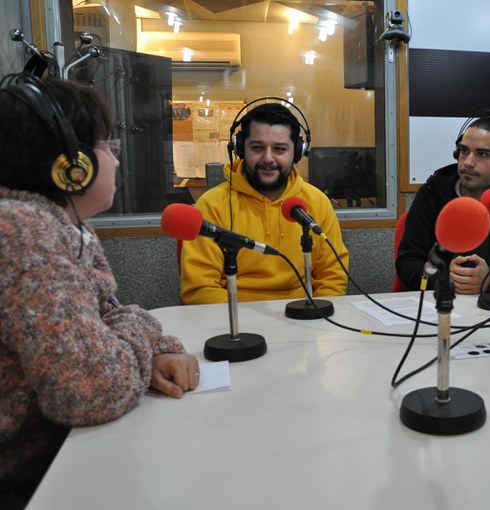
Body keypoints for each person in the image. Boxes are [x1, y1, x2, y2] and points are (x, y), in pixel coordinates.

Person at [0, 74, 199, 508]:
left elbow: (106, 316)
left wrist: (153, 347)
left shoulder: (67, 225)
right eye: (109, 148)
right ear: (74, 166)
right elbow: (93, 390)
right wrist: (142, 325)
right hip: (25, 483)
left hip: (61, 456)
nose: (117, 162)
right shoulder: (22, 233)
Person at [180, 101, 349, 304]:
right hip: (233, 317)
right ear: (240, 148)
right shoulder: (212, 205)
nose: (268, 158)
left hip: (302, 315)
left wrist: (316, 313)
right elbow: (200, 288)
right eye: (257, 148)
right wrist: (246, 320)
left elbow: (332, 276)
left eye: (280, 149)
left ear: (297, 152)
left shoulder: (317, 202)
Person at [396, 115, 490, 294]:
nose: (468, 162)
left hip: (489, 303)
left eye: (482, 154)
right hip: (439, 302)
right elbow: (407, 262)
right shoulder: (433, 192)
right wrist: (443, 278)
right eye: (464, 151)